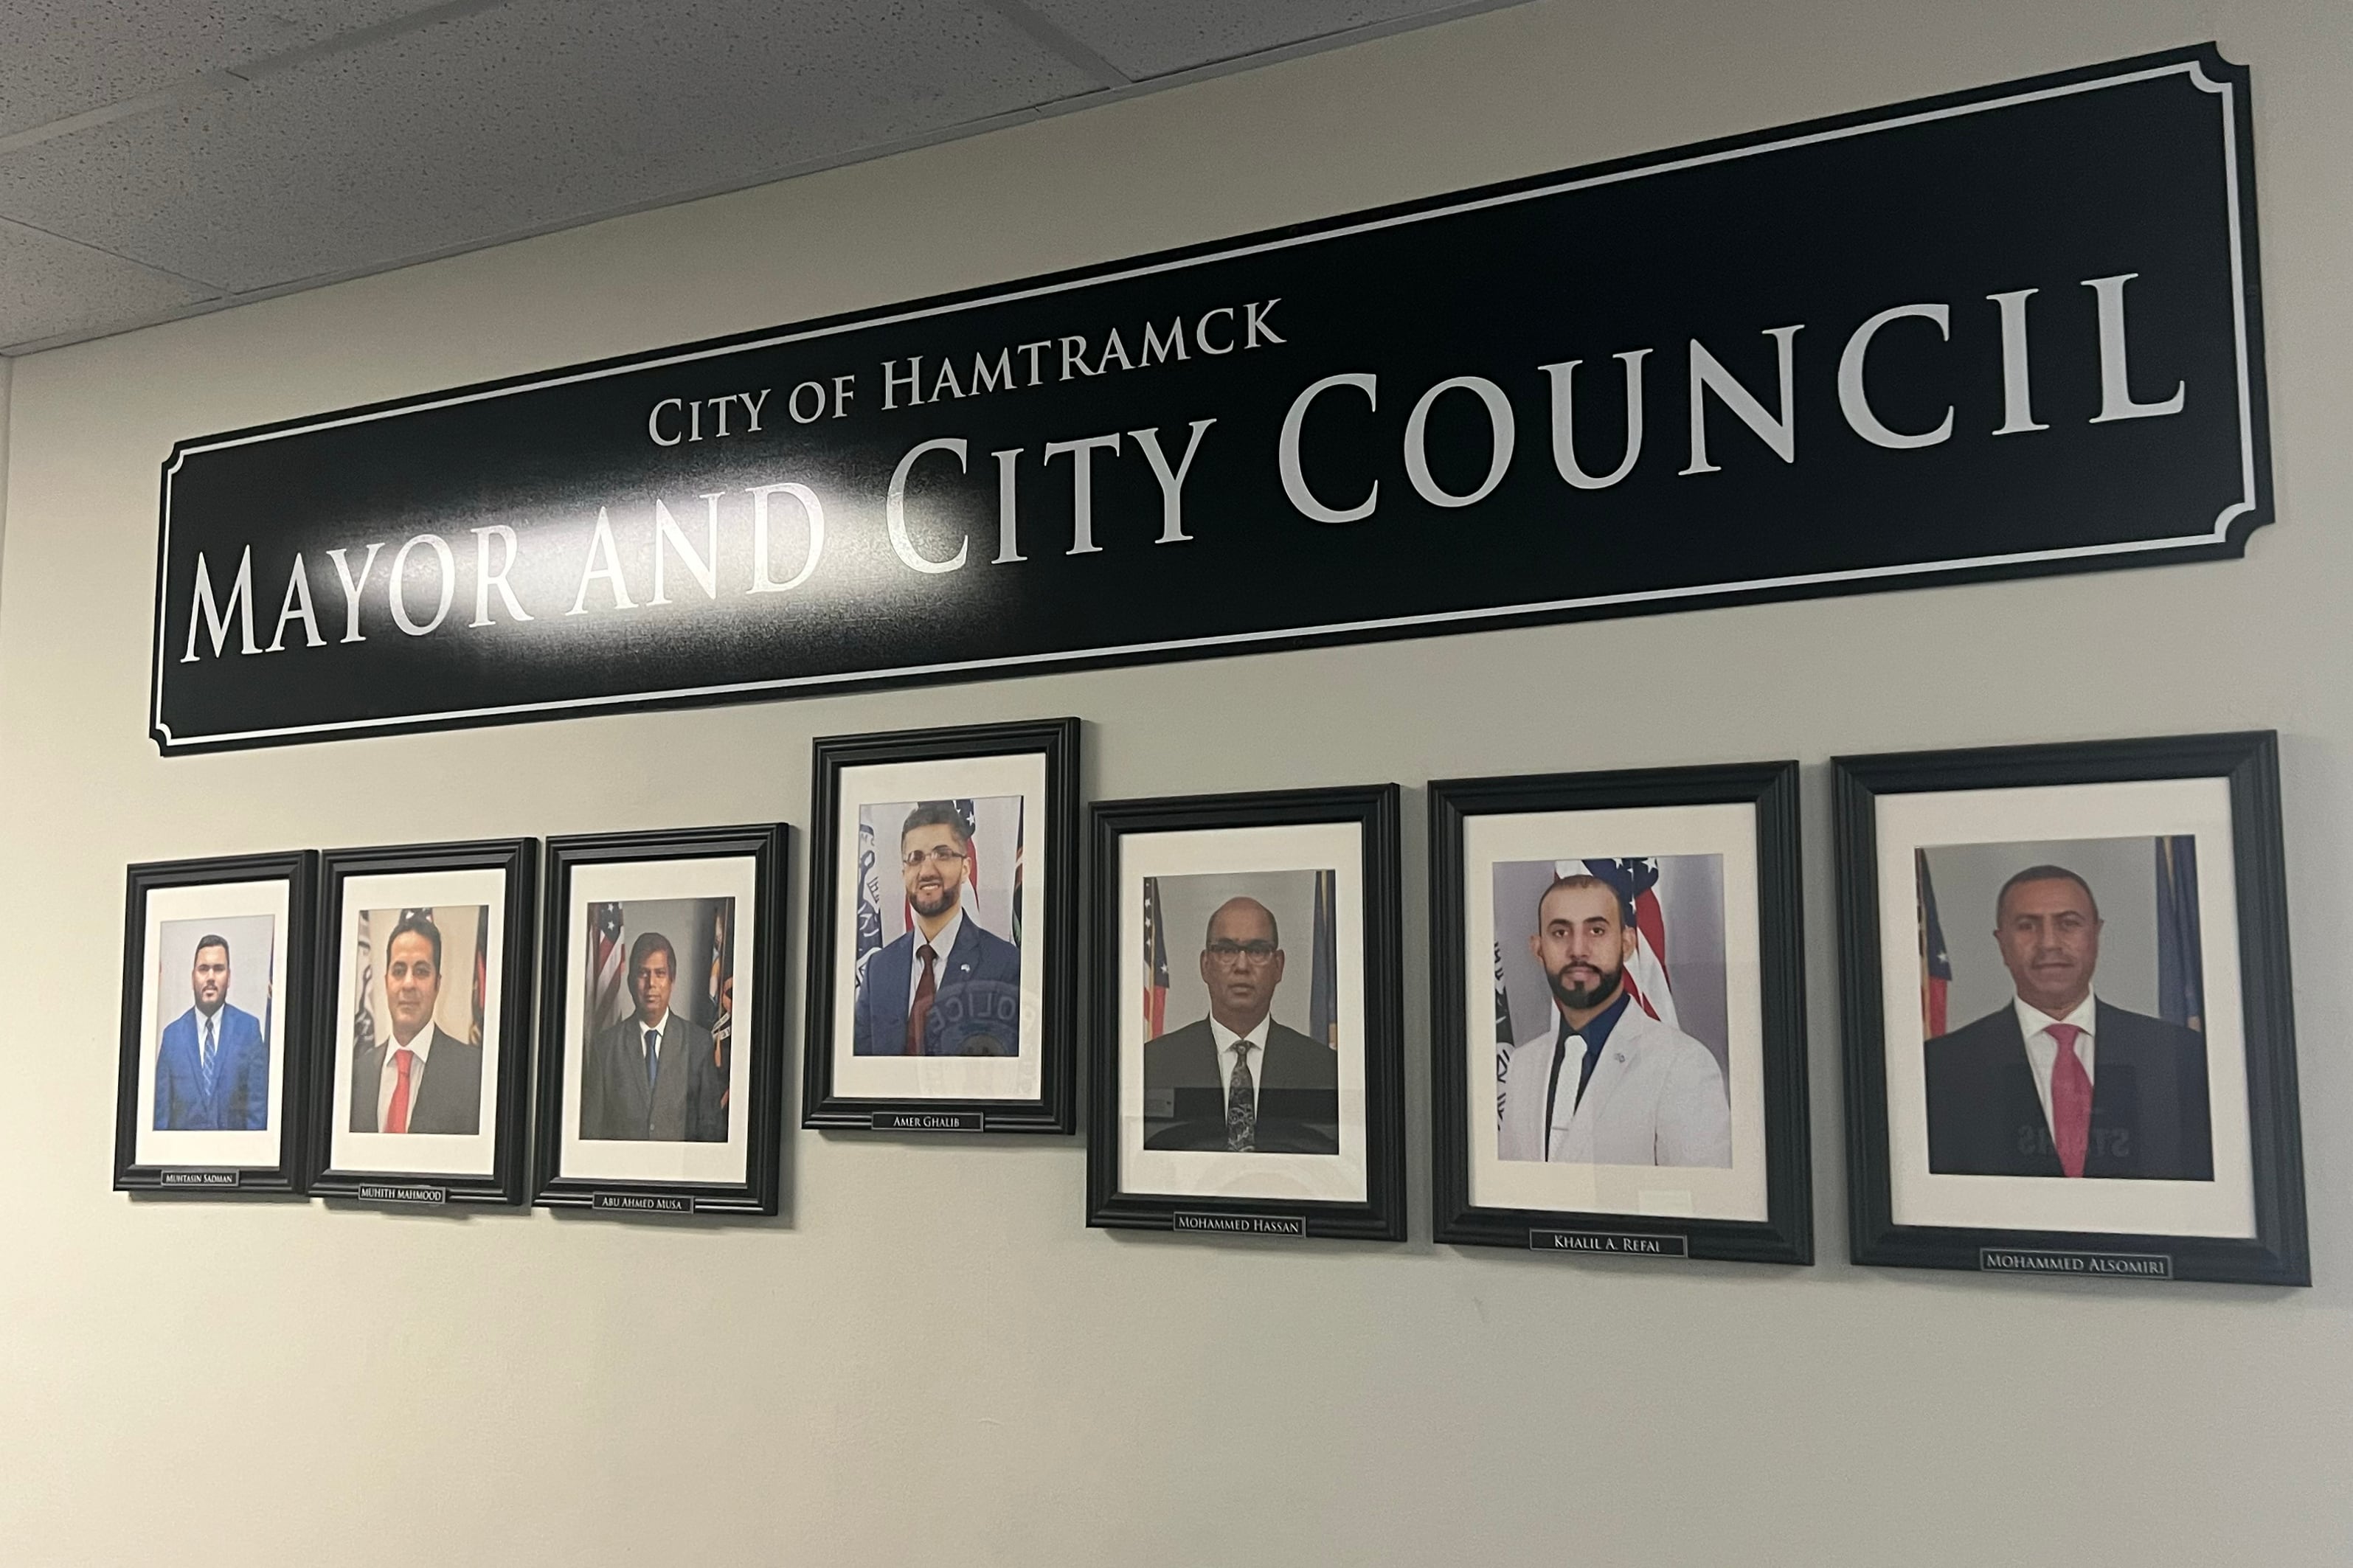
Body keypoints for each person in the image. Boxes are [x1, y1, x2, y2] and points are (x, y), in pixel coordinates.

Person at [1925, 864, 2212, 1179]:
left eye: (2069, 923)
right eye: (2027, 926)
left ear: (2096, 935)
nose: (2049, 943)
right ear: (2002, 943)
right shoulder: (1939, 1069)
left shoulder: (2180, 1055)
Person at [1498, 874, 1730, 1167]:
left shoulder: (1684, 1064)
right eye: (1560, 933)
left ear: (1627, 943)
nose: (1578, 949)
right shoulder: (1523, 1064)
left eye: (1596, 930)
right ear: (1538, 948)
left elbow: (1700, 1202)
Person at [1143, 896, 1338, 1154]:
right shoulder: (1154, 1063)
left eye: (1257, 951)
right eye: (1226, 950)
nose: (1242, 966)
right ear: (1205, 965)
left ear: (1278, 966)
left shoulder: (1325, 1069)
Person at [853, 802, 1022, 1056]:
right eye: (916, 858)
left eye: (942, 855)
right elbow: (859, 1072)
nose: (927, 870)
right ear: (904, 872)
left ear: (965, 868)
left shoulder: (1005, 965)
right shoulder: (880, 968)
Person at [580, 930, 726, 1141]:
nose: (651, 985)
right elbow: (591, 1133)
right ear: (631, 981)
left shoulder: (699, 1044)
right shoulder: (605, 1048)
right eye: (643, 973)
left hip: (679, 1172)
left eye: (660, 973)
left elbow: (711, 1131)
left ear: (672, 981)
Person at [348, 912, 482, 1134]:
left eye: (421, 971)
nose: (408, 984)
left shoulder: (475, 1074)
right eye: (399, 971)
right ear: (386, 982)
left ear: (437, 985)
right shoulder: (356, 1075)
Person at [153, 934, 268, 1130]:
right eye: (203, 969)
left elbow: (258, 1113)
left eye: (219, 969)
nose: (211, 978)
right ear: (193, 978)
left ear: (229, 977)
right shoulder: (172, 1036)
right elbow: (160, 1118)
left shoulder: (248, 1030)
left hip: (235, 1156)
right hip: (183, 1157)